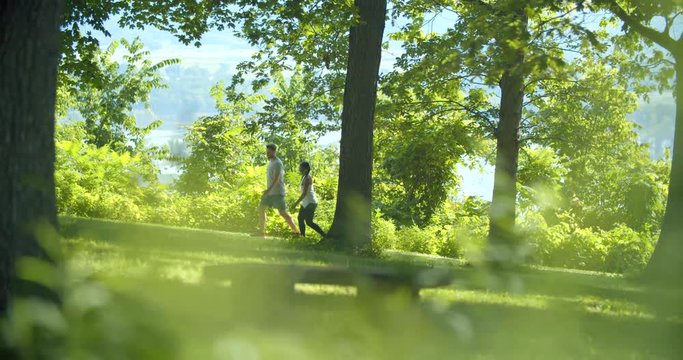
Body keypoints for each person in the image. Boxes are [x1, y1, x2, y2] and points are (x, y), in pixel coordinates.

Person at [254, 144, 300, 236]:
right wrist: (268, 191)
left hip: (277, 193)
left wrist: (268, 190)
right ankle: (262, 232)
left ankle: (296, 232)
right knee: (261, 209)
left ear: (274, 151)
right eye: (266, 152)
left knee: (283, 213)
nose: (267, 154)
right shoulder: (270, 162)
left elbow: (276, 179)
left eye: (269, 152)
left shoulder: (278, 163)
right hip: (269, 193)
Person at [291, 161, 326, 238]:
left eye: (301, 167)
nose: (299, 169)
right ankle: (323, 235)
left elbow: (304, 194)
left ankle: (323, 235)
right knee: (305, 221)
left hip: (310, 202)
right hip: (307, 202)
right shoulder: (304, 177)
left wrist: (295, 203)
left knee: (306, 221)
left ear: (305, 169)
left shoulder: (308, 178)